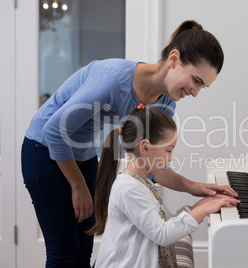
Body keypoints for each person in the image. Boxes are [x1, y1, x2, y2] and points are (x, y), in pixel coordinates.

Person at [21, 19, 237, 267]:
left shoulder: (165, 103)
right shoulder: (111, 81)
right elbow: (54, 131)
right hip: (44, 149)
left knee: (83, 252)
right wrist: (78, 186)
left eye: (204, 87)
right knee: (64, 252)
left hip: (82, 154)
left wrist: (195, 187)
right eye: (196, 80)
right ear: (174, 59)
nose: (196, 92)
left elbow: (152, 163)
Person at [88, 105, 239, 267]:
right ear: (145, 148)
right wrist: (204, 210)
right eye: (168, 151)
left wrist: (204, 203)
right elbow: (162, 234)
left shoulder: (141, 183)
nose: (171, 158)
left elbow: (165, 222)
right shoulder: (129, 188)